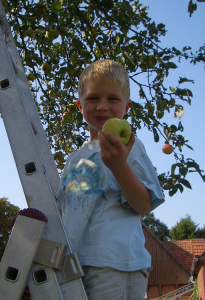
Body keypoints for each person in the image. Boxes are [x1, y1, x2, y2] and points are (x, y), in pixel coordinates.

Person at [57, 59, 165, 300]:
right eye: (94, 98)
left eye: (112, 99)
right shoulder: (77, 157)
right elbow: (68, 208)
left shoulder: (128, 147)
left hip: (115, 264)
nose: (102, 106)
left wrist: (118, 165)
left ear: (126, 107)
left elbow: (144, 204)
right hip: (77, 264)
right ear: (80, 105)